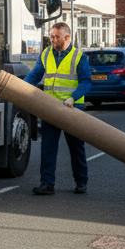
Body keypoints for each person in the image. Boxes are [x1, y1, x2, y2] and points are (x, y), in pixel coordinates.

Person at [24, 21, 92, 195]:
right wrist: (21, 87)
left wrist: (73, 97)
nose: (52, 40)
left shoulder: (79, 57)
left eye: (56, 37)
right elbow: (35, 74)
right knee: (48, 147)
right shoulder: (46, 53)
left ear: (67, 37)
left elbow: (86, 82)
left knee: (76, 147)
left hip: (72, 108)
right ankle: (47, 184)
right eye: (51, 36)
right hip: (51, 107)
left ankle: (81, 182)